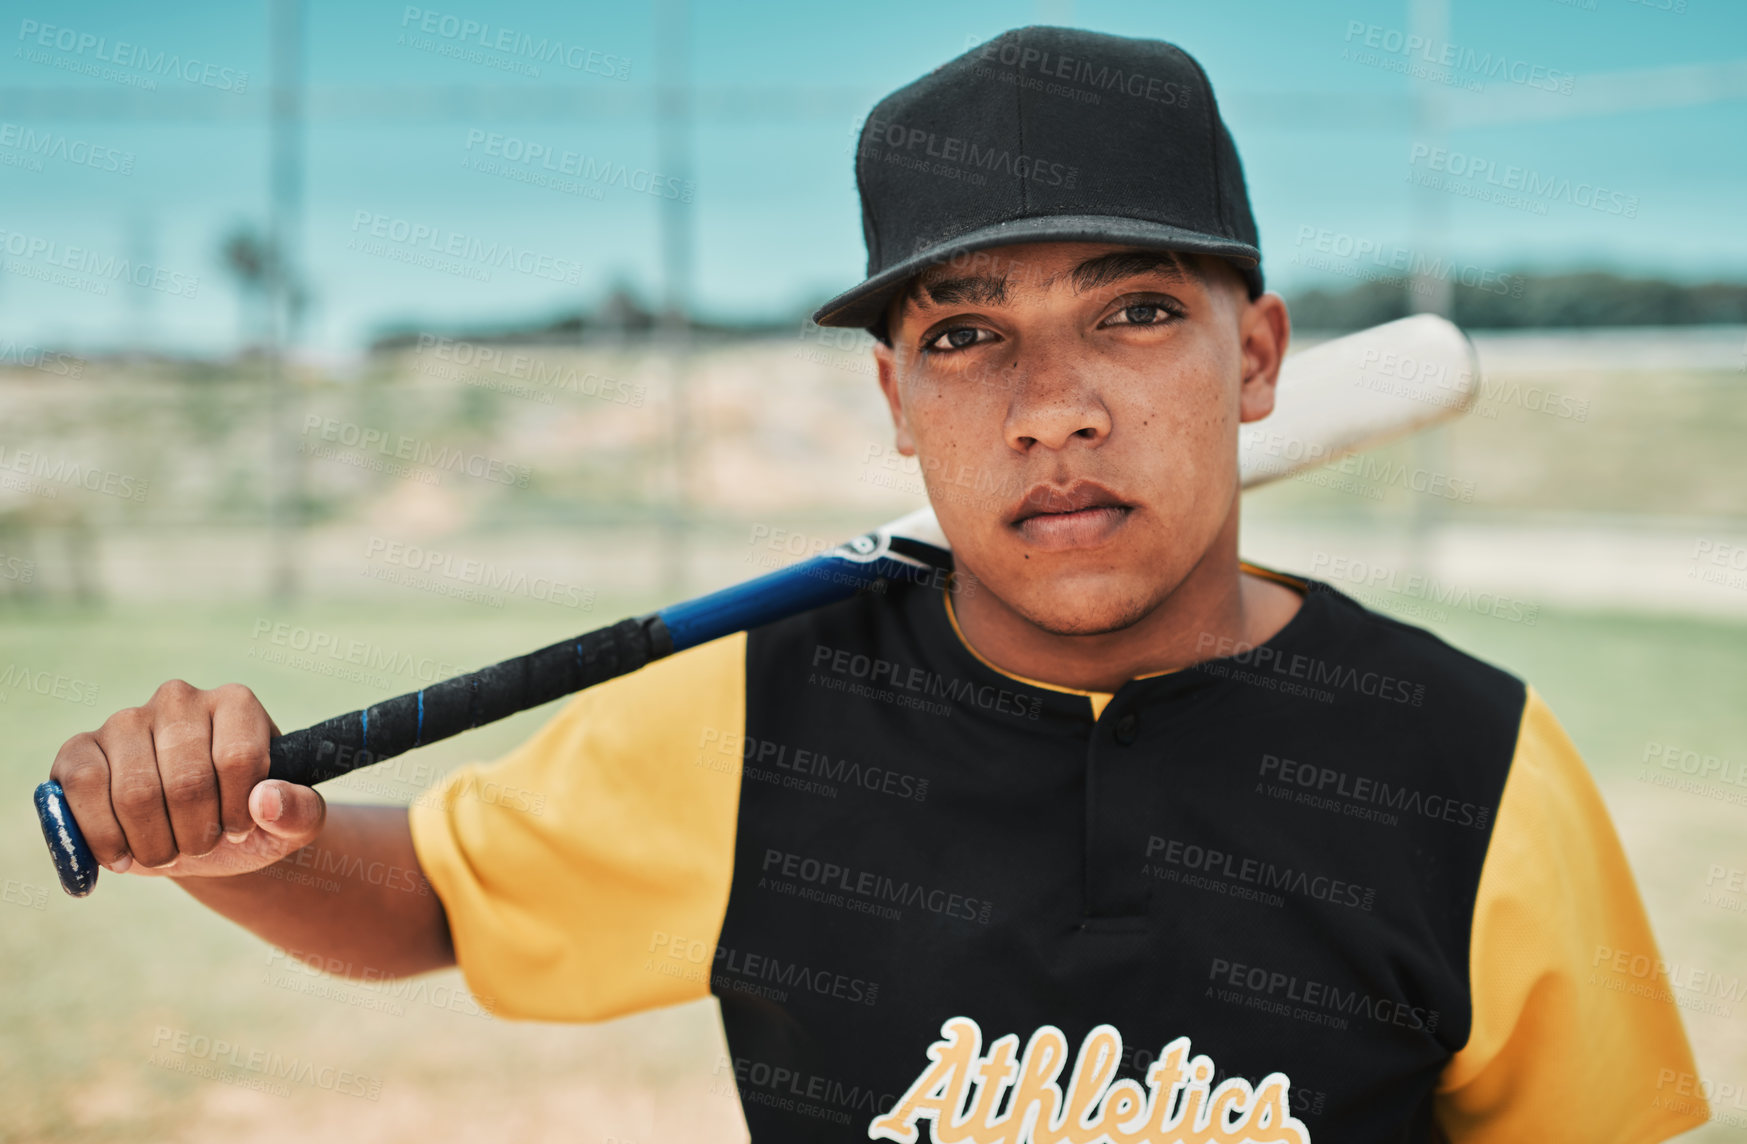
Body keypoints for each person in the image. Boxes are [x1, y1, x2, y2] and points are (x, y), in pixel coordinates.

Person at [48, 26, 1706, 1144]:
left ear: (1256, 357)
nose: (1053, 403)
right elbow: (424, 903)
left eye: (1133, 311)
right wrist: (222, 838)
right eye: (967, 335)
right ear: (897, 405)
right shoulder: (763, 710)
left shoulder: (1468, 758)